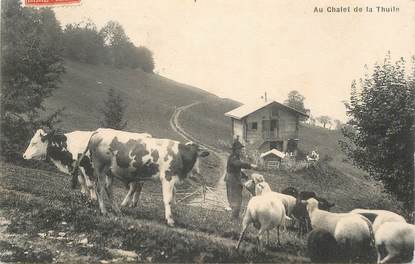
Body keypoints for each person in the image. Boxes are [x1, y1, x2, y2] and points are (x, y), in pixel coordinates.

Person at [225, 137, 257, 219]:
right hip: (232, 180)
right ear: (235, 150)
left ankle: (235, 216)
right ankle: (233, 217)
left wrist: (243, 175)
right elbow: (238, 164)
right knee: (236, 198)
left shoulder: (236, 156)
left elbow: (236, 168)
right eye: (239, 149)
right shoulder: (233, 157)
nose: (240, 150)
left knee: (238, 197)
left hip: (235, 178)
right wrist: (250, 165)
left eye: (241, 149)